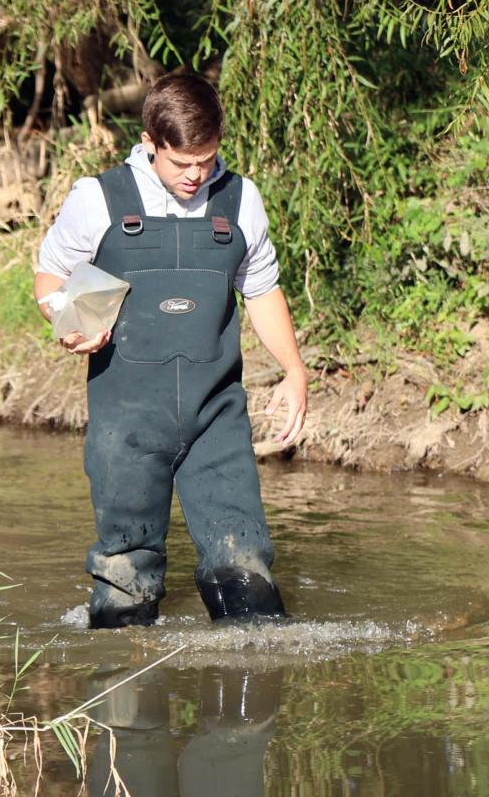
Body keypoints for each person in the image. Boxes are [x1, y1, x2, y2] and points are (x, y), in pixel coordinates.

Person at [34, 72, 308, 628]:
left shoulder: (240, 198)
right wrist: (68, 322)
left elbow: (261, 290)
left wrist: (294, 371)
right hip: (127, 422)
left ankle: (248, 701)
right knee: (125, 581)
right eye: (181, 163)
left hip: (217, 418)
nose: (195, 175)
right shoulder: (99, 197)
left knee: (246, 569)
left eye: (206, 160)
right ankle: (127, 699)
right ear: (150, 143)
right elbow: (50, 275)